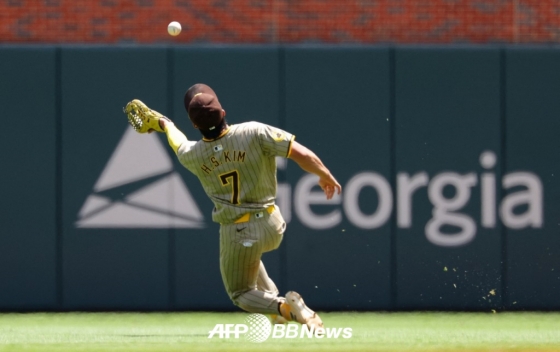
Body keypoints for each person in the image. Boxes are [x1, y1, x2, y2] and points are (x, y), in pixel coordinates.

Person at [140, 83, 341, 331]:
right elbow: (300, 153)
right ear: (222, 112)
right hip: (272, 224)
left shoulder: (192, 155)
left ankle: (285, 309)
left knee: (240, 293)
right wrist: (325, 174)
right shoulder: (254, 131)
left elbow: (177, 142)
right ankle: (277, 315)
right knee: (248, 260)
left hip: (238, 231)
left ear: (195, 125)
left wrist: (164, 124)